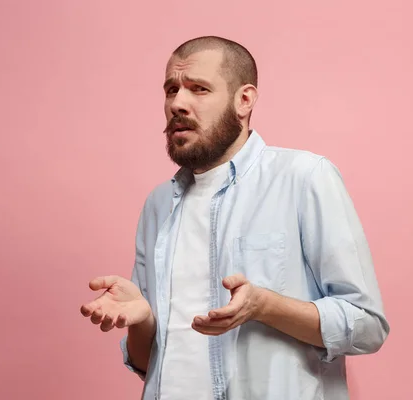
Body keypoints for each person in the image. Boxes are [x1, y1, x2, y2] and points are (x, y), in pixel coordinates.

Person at [80, 35, 390, 400]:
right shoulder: (158, 204)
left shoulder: (304, 177)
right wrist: (142, 319)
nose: (177, 103)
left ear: (244, 100)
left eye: (198, 89)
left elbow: (366, 326)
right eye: (171, 89)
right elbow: (150, 364)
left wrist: (265, 306)